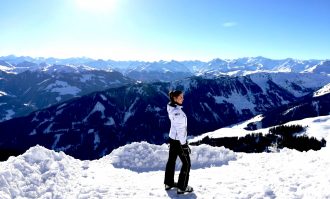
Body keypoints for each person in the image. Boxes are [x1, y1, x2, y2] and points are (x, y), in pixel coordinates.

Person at [164, 90, 193, 194]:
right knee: (187, 163)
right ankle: (182, 187)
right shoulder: (178, 113)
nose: (183, 99)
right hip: (179, 141)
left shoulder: (171, 107)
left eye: (182, 97)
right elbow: (181, 131)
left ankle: (169, 183)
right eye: (180, 97)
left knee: (171, 160)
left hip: (172, 138)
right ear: (175, 99)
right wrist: (184, 145)